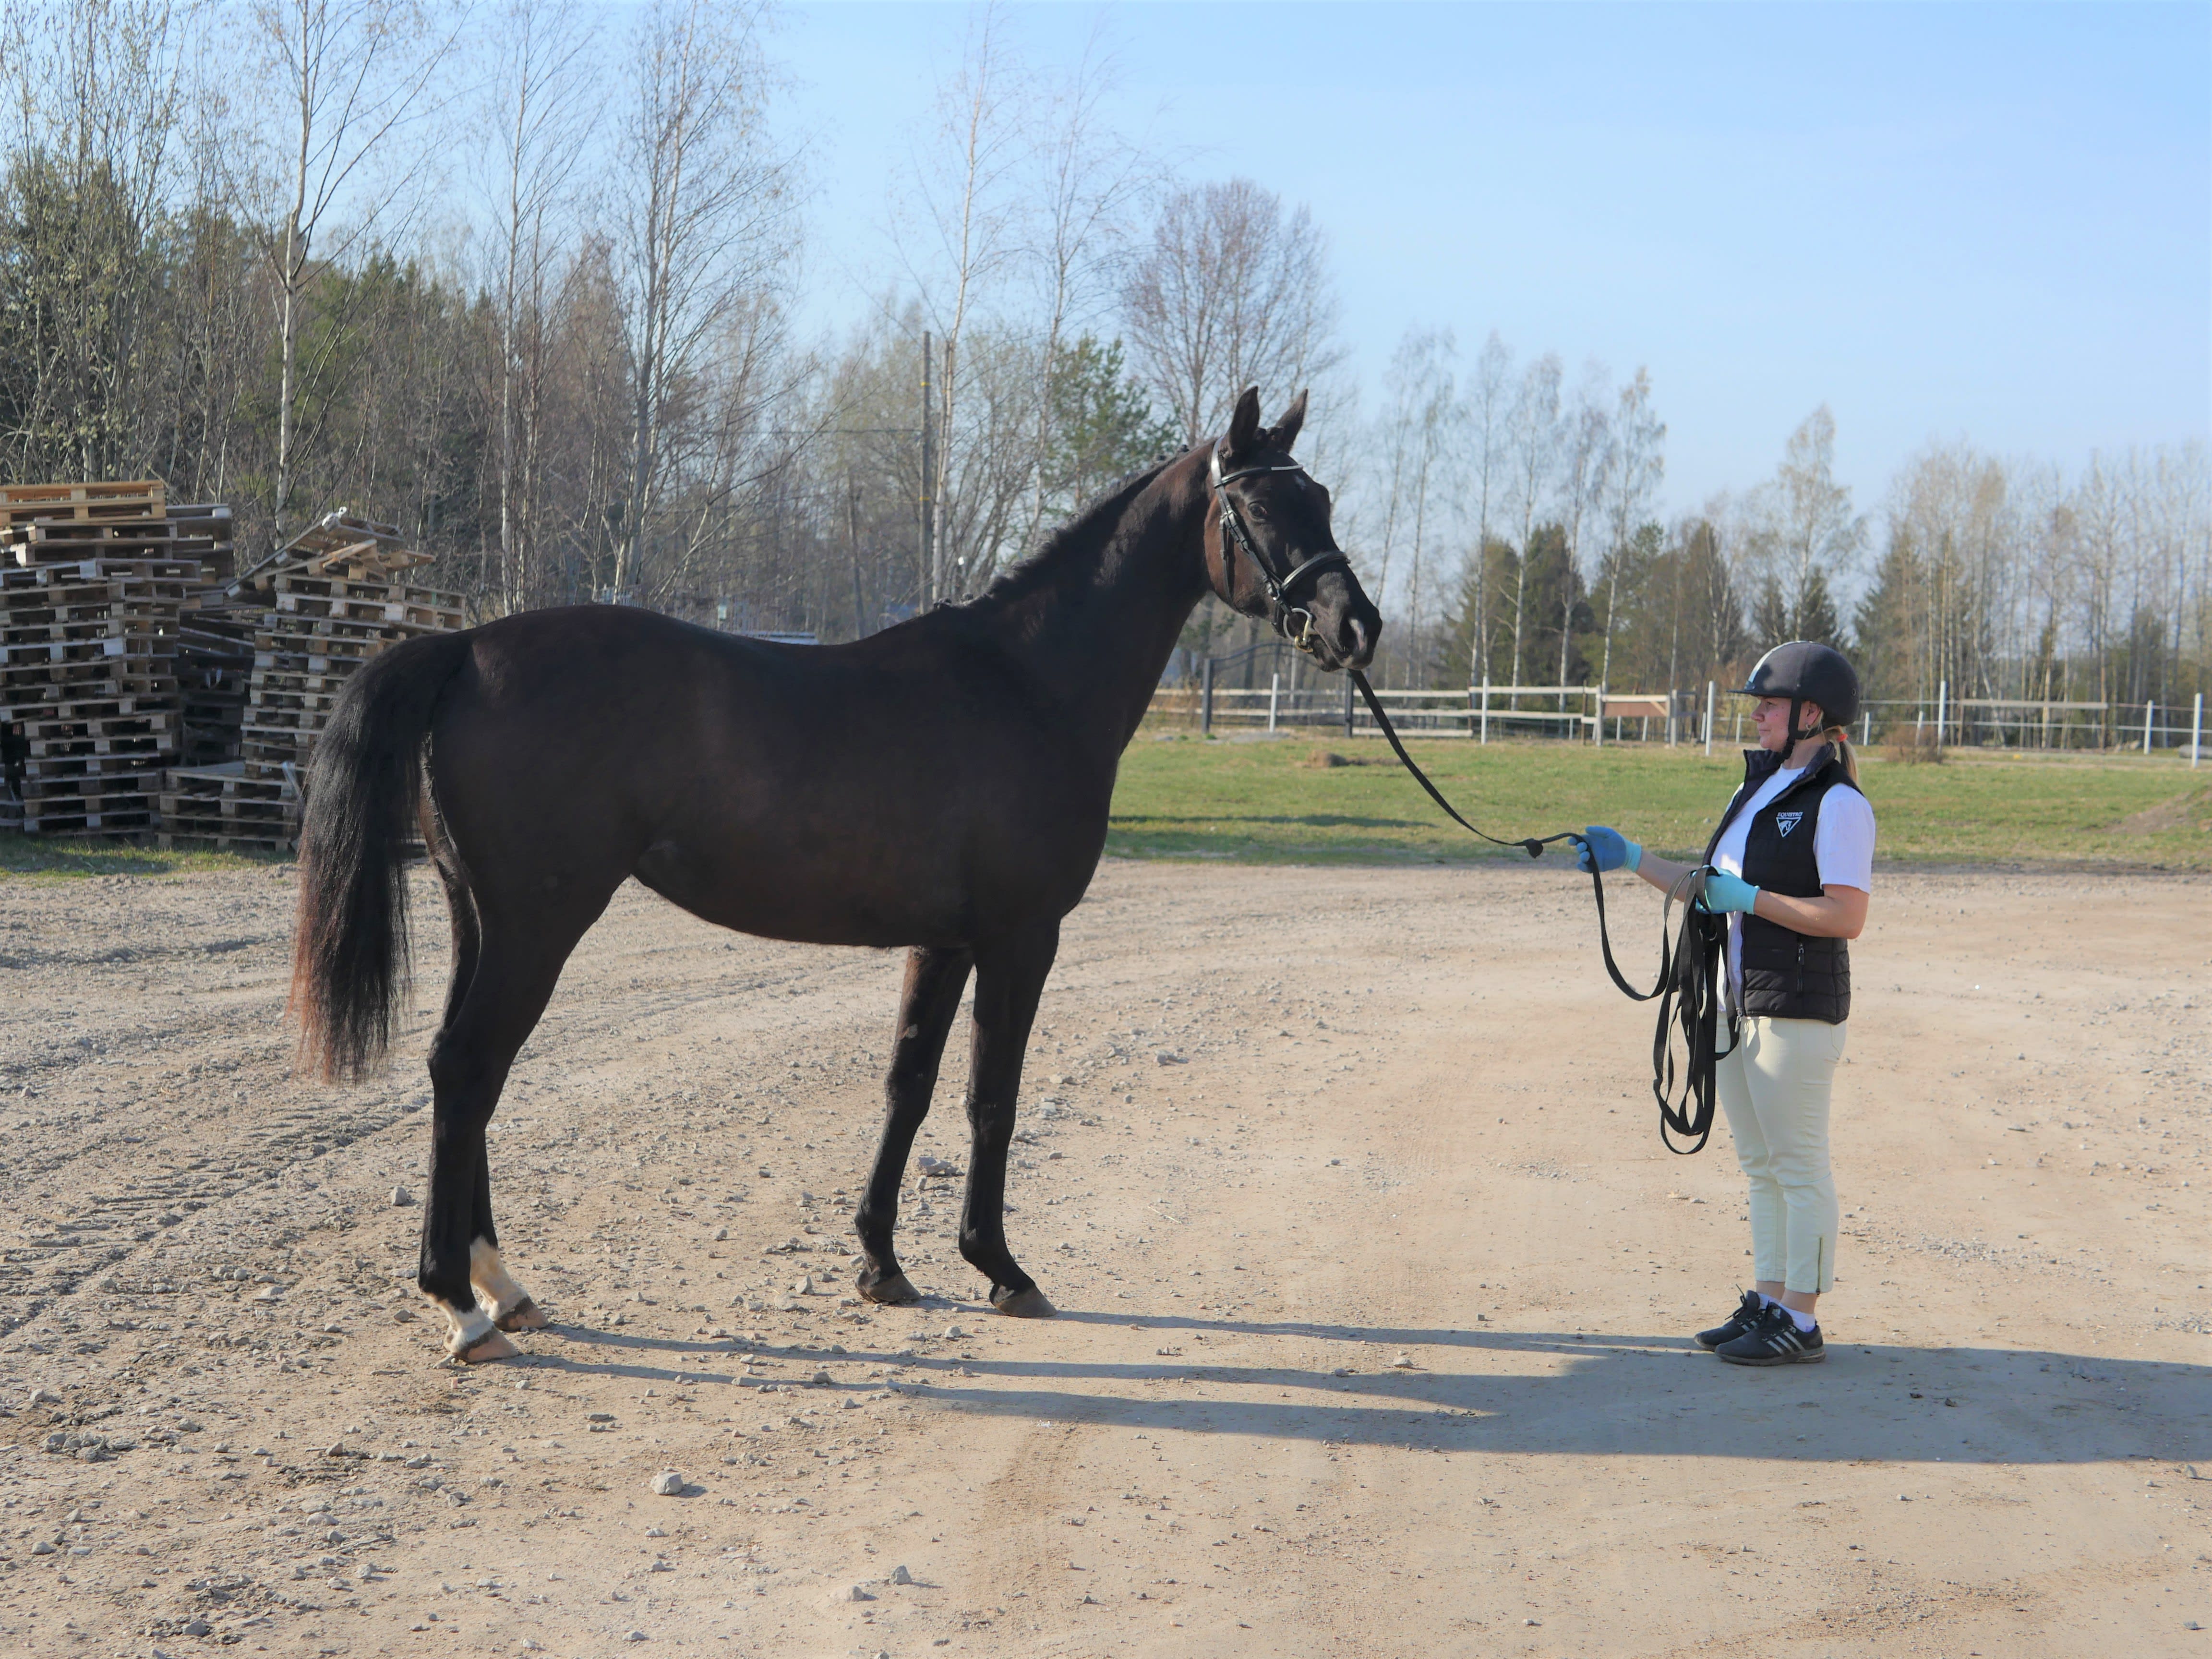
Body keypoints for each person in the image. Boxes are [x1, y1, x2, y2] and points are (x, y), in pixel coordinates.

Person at [1576, 642, 1875, 1366]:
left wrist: (1754, 901)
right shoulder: (1757, 792)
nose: (1760, 714)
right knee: (1761, 1164)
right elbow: (1710, 886)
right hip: (1741, 1000)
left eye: (1770, 704)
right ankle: (1772, 1299)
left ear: (1811, 715)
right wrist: (1632, 858)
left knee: (1798, 1163)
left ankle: (1801, 1321)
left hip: (1796, 1008)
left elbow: (1846, 916)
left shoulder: (1837, 804)